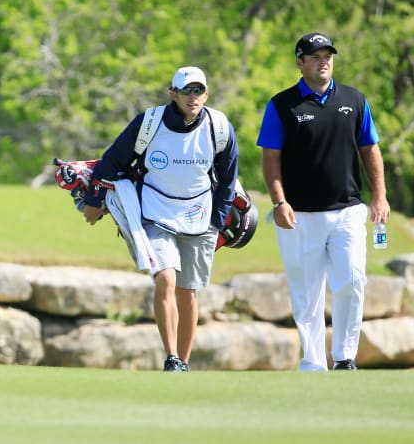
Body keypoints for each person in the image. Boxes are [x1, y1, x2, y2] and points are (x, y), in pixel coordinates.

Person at [82, 66, 239, 372]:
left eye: (198, 91)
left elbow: (228, 180)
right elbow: (113, 160)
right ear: (174, 94)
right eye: (186, 91)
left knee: (188, 290)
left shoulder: (219, 127)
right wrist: (94, 201)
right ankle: (171, 357)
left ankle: (184, 362)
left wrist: (217, 223)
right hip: (155, 211)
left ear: (206, 94)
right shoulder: (150, 122)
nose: (193, 97)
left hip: (200, 217)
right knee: (165, 278)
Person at [257, 32, 390, 372]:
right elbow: (271, 157)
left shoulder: (354, 99)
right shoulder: (282, 105)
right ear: (300, 62)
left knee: (352, 280)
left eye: (327, 54)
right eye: (315, 56)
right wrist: (279, 201)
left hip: (347, 211)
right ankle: (313, 361)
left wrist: (380, 195)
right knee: (307, 293)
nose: (323, 61)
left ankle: (345, 357)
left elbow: (369, 149)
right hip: (299, 215)